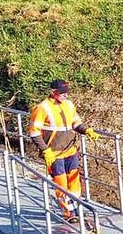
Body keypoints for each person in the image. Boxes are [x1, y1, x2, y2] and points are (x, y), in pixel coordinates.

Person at [28, 79, 101, 223]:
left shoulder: (68, 105)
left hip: (70, 149)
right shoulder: (42, 108)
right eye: (61, 93)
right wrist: (45, 150)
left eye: (66, 92)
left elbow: (75, 123)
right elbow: (34, 132)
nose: (65, 95)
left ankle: (77, 209)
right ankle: (68, 213)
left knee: (74, 181)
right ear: (53, 92)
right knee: (60, 183)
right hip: (54, 153)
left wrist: (86, 130)